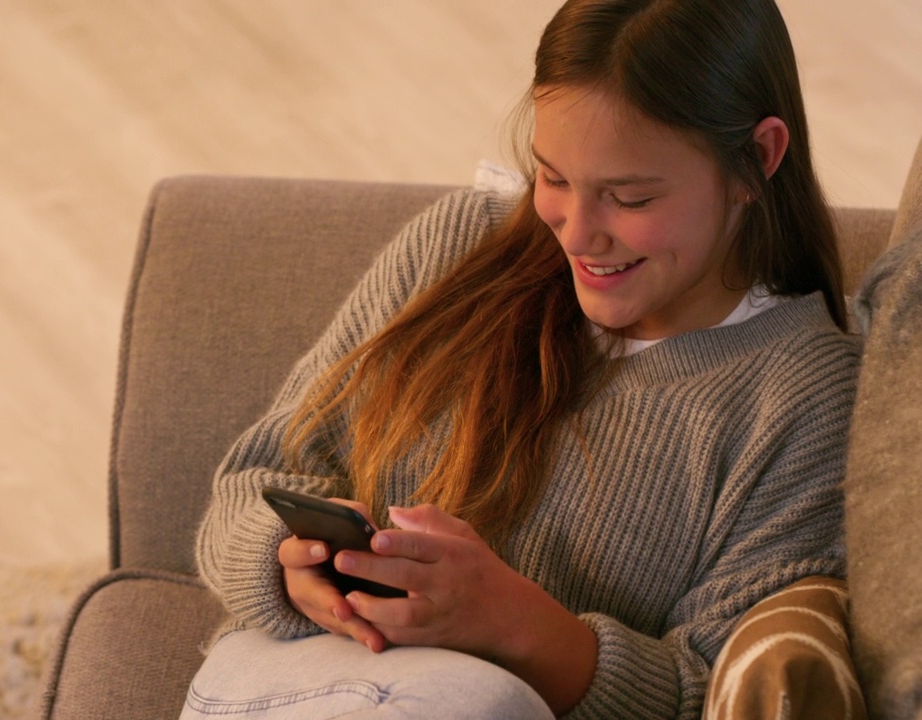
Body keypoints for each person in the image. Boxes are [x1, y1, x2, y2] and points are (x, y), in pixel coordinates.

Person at [182, 0, 860, 717]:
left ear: (758, 159)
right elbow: (247, 484)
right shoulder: (458, 248)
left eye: (628, 197)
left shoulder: (808, 399)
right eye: (554, 178)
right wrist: (286, 563)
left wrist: (514, 623)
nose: (578, 233)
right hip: (274, 690)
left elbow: (711, 696)